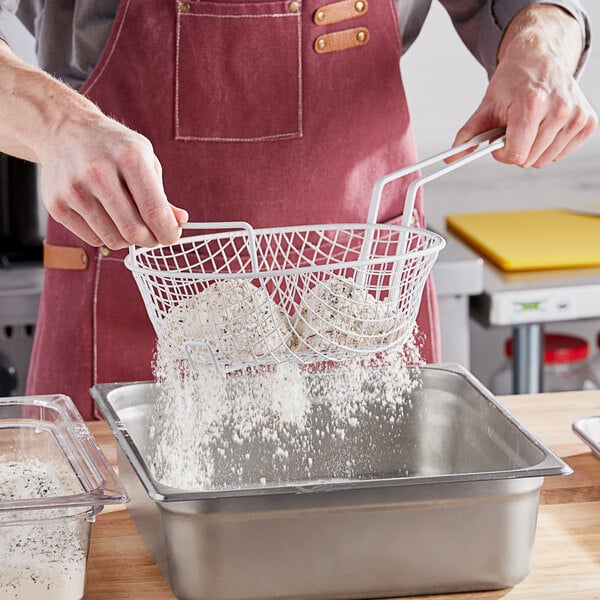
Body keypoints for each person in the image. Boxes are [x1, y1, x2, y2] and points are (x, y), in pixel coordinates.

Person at [0, 1, 596, 419]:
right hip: (129, 283)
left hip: (361, 292)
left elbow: (532, 8)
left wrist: (541, 47)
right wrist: (55, 122)